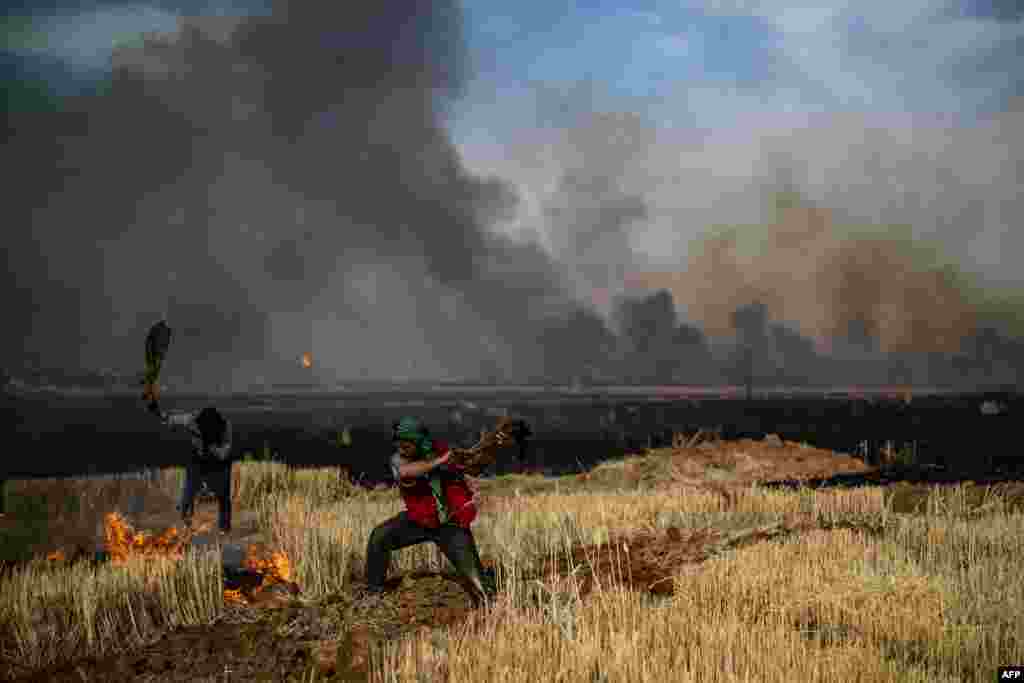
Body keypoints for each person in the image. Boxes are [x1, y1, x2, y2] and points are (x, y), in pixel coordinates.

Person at [364, 417, 496, 607]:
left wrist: (472, 485)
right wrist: (441, 461)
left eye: (406, 444)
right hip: (418, 521)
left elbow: (465, 475)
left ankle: (488, 600)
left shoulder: (439, 451)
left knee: (478, 582)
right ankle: (373, 592)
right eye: (398, 443)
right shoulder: (399, 460)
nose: (401, 448)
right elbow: (407, 472)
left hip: (450, 524)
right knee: (379, 537)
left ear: (418, 442)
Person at [158, 405, 234, 534]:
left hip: (219, 462)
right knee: (189, 489)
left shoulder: (225, 426)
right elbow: (174, 419)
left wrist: (214, 449)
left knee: (224, 495)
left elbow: (225, 451)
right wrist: (164, 417)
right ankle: (184, 517)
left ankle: (224, 526)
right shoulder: (192, 420)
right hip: (197, 459)